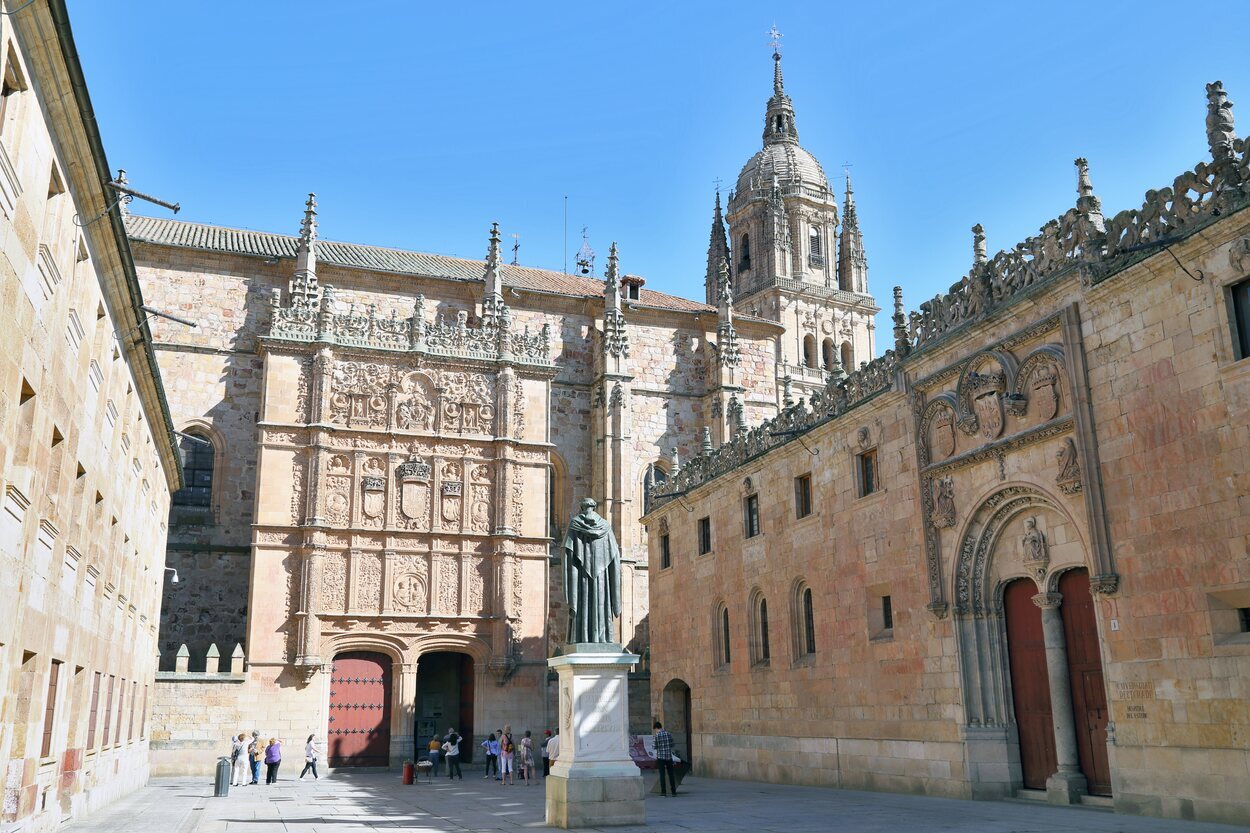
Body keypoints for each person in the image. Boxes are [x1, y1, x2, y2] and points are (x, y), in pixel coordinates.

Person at [653, 721, 676, 796]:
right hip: (669, 757)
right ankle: (673, 792)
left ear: (656, 728)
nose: (655, 731)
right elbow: (672, 744)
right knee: (671, 774)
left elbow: (654, 747)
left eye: (655, 729)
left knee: (662, 775)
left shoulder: (656, 735)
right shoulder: (668, 734)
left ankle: (663, 792)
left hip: (660, 757)